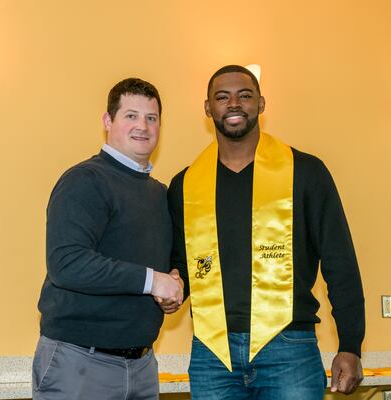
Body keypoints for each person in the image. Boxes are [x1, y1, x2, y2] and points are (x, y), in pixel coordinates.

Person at [165, 65, 365, 399]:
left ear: (261, 104)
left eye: (245, 95)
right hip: (212, 354)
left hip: (289, 349)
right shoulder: (184, 185)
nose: (233, 104)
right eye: (222, 97)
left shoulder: (305, 172)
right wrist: (170, 287)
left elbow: (339, 260)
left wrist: (350, 344)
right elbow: (184, 265)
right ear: (207, 108)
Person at [32, 77, 183, 400]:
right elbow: (67, 263)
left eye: (151, 118)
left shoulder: (158, 193)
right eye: (131, 115)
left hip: (142, 365)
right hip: (80, 362)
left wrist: (172, 284)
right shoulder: (85, 180)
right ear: (107, 121)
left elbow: (161, 265)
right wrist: (153, 282)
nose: (142, 126)